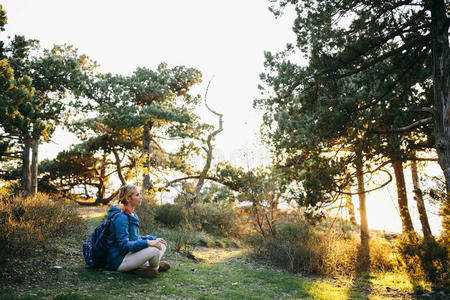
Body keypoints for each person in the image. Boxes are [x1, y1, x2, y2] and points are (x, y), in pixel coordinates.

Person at [105, 184, 170, 278]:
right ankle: (155, 268)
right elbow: (124, 246)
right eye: (137, 195)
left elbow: (134, 238)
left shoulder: (133, 215)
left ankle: (143, 267)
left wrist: (153, 239)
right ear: (128, 198)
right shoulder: (121, 218)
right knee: (155, 250)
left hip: (129, 254)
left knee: (161, 244)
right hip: (119, 260)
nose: (141, 197)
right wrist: (148, 243)